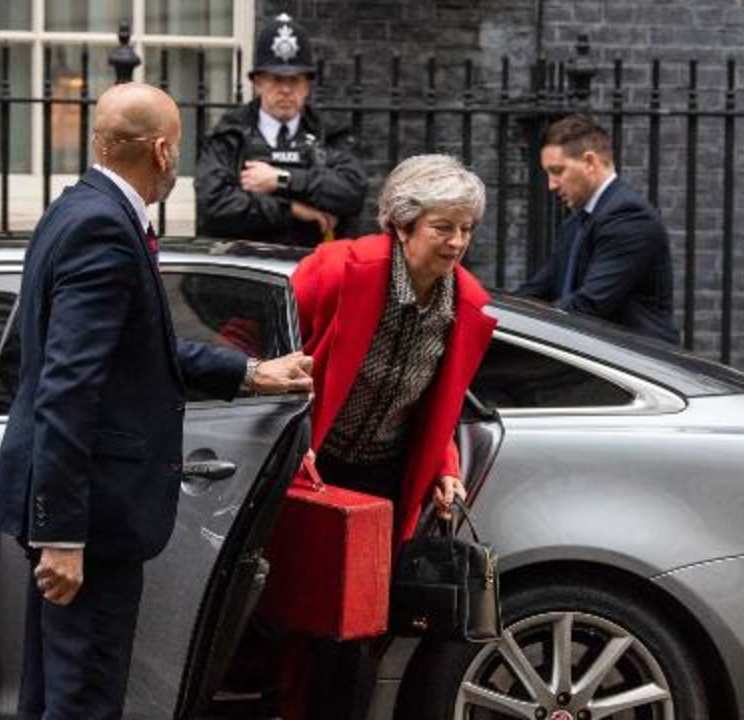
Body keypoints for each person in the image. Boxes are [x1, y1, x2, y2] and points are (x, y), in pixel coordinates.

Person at [0, 82, 313, 720]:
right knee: (84, 699)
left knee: (57, 693)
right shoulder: (105, 229)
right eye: (180, 149)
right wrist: (63, 534)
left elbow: (133, 355)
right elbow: (67, 386)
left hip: (87, 509)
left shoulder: (77, 208)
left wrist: (248, 373)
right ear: (162, 151)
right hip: (94, 518)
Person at [284, 154, 496, 719]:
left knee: (357, 627)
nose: (456, 243)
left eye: (466, 229)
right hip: (313, 470)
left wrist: (446, 468)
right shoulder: (339, 270)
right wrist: (287, 431)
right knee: (293, 615)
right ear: (402, 225)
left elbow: (439, 404)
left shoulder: (464, 303)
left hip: (381, 483)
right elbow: (262, 346)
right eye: (442, 227)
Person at [195, 13, 367, 248]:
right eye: (276, 79)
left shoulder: (328, 133)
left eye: (295, 80)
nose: (286, 90)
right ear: (257, 83)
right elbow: (215, 205)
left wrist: (281, 180)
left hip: (314, 267)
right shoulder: (231, 134)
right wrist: (293, 210)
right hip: (245, 268)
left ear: (307, 86)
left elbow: (352, 191)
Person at [516, 113, 680, 344]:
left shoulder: (630, 217)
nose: (551, 185)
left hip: (638, 366)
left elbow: (590, 304)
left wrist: (522, 326)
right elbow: (538, 288)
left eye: (558, 171)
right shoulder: (575, 223)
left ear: (590, 162)